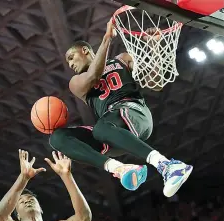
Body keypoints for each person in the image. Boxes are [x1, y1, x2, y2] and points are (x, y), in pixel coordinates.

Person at [49, 19, 193, 198]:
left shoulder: (122, 59)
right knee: (57, 138)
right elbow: (94, 75)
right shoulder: (76, 83)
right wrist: (107, 38)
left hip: (135, 113)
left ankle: (168, 166)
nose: (70, 64)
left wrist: (154, 47)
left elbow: (155, 83)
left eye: (71, 57)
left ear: (84, 50)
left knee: (102, 127)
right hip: (113, 132)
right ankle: (120, 168)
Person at [0, 149, 92, 221]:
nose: (27, 201)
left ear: (40, 208)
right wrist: (23, 178)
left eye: (31, 199)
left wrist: (67, 176)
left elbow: (84, 218)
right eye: (22, 202)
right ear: (17, 215)